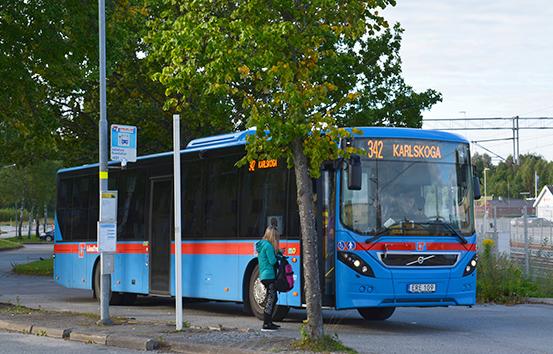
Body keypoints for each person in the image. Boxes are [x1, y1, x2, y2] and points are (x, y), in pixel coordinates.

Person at [255, 226, 281, 332]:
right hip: (269, 275)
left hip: (264, 275)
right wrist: (278, 257)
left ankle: (269, 321)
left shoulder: (263, 245)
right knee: (271, 299)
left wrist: (278, 252)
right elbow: (272, 261)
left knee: (271, 298)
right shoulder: (269, 246)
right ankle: (266, 324)